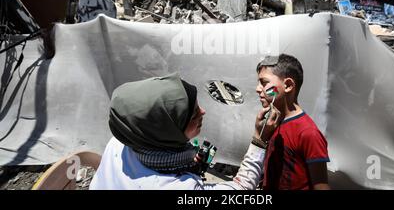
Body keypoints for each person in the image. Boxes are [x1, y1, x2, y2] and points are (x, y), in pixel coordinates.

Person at [90, 73, 281, 190]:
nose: (203, 112)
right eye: (193, 114)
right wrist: (259, 140)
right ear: (168, 132)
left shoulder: (123, 142)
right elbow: (240, 188)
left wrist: (187, 165)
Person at [256, 54, 331, 190]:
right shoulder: (272, 123)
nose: (257, 89)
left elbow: (321, 185)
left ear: (288, 85)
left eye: (264, 83)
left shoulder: (308, 133)